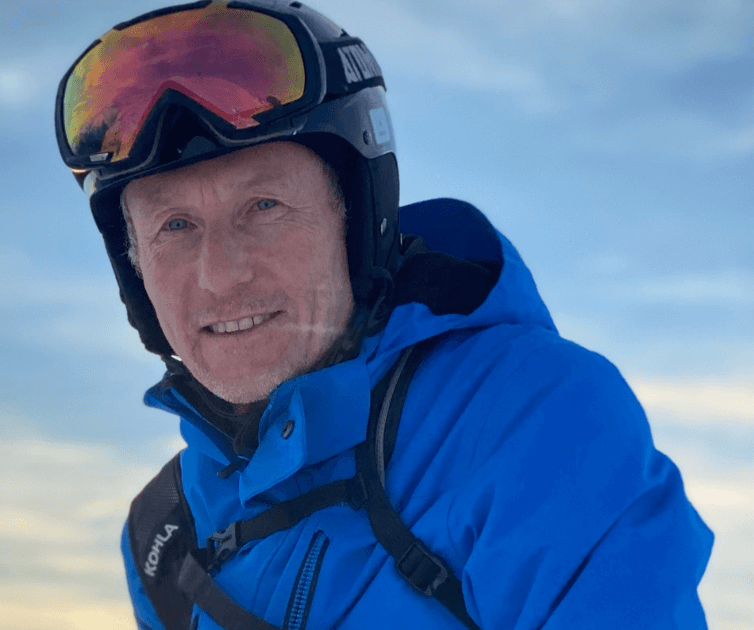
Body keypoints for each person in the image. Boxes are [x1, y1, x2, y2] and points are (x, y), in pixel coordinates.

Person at [53, 2, 714, 629]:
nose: (221, 275)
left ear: (355, 223)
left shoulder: (528, 420)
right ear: (134, 269)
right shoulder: (165, 539)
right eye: (175, 225)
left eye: (263, 207)